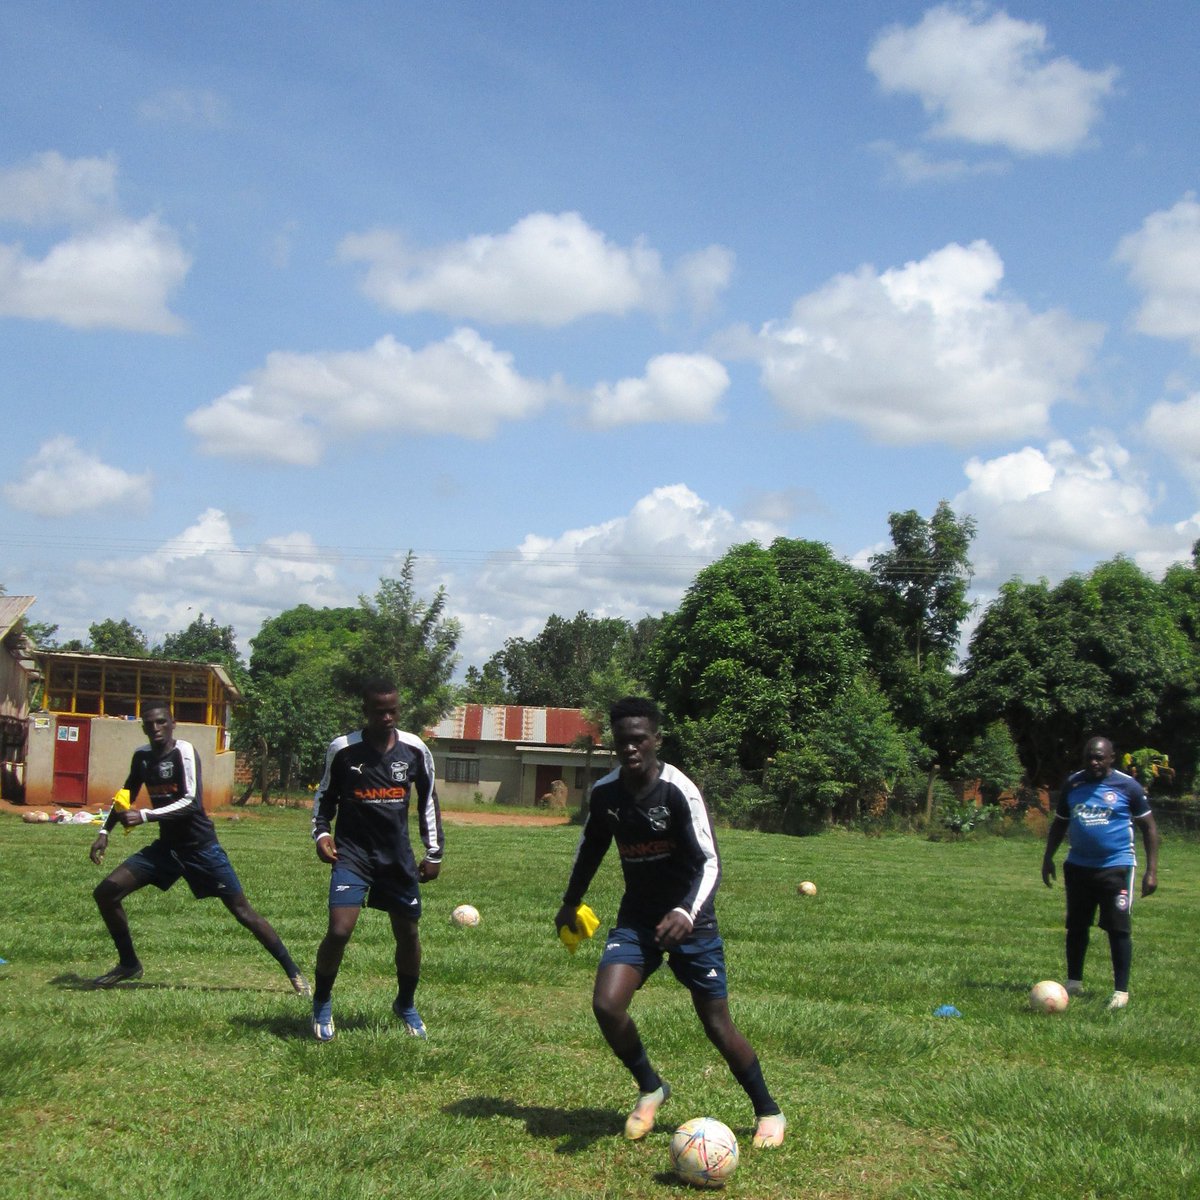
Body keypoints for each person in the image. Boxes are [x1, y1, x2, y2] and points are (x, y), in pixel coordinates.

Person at [554, 697, 786, 1148]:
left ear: (656, 740)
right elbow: (590, 850)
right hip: (638, 919)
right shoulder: (605, 794)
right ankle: (651, 1087)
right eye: (622, 742)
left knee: (716, 1023)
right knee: (606, 1004)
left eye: (639, 740)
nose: (630, 750)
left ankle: (768, 1109)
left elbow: (710, 862)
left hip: (691, 922)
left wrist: (685, 911)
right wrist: (570, 902)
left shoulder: (680, 790)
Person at [88, 703, 308, 994]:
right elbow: (126, 792)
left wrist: (146, 815)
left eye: (161, 722)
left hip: (201, 848)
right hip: (166, 849)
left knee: (242, 911)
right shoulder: (142, 757)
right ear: (143, 727)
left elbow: (192, 802)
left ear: (172, 723)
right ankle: (129, 963)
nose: (155, 728)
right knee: (106, 892)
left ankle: (293, 972)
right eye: (149, 724)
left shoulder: (184, 752)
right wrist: (105, 831)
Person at [309, 678, 442, 1042]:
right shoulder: (343, 749)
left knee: (408, 934)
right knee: (339, 931)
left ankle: (406, 1003)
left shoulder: (415, 749)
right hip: (353, 854)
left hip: (397, 858)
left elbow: (428, 801)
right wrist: (321, 834)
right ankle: (321, 1001)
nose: (387, 717)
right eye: (379, 711)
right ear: (365, 711)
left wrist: (434, 852)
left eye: (393, 710)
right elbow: (324, 798)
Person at [1042, 735, 1160, 1009]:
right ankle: (1074, 982)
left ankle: (1120, 991)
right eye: (1089, 757)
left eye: (1099, 757)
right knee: (1076, 926)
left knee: (1118, 929)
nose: (1094, 762)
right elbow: (1060, 824)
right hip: (1078, 866)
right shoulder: (1073, 783)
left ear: (1111, 758)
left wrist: (1151, 871)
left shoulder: (1127, 786)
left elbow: (1150, 828)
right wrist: (1048, 857)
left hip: (1116, 867)